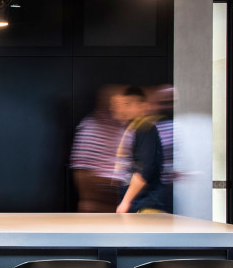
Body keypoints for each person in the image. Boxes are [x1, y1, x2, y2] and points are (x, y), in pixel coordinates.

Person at [113, 85, 173, 214]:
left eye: (128, 104)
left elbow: (144, 170)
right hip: (139, 201)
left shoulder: (145, 129)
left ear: (142, 106)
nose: (124, 108)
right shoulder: (132, 129)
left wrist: (126, 201)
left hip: (148, 203)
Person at [70, 85, 126, 212]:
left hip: (122, 204)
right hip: (100, 206)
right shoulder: (91, 128)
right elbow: (82, 175)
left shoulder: (126, 127)